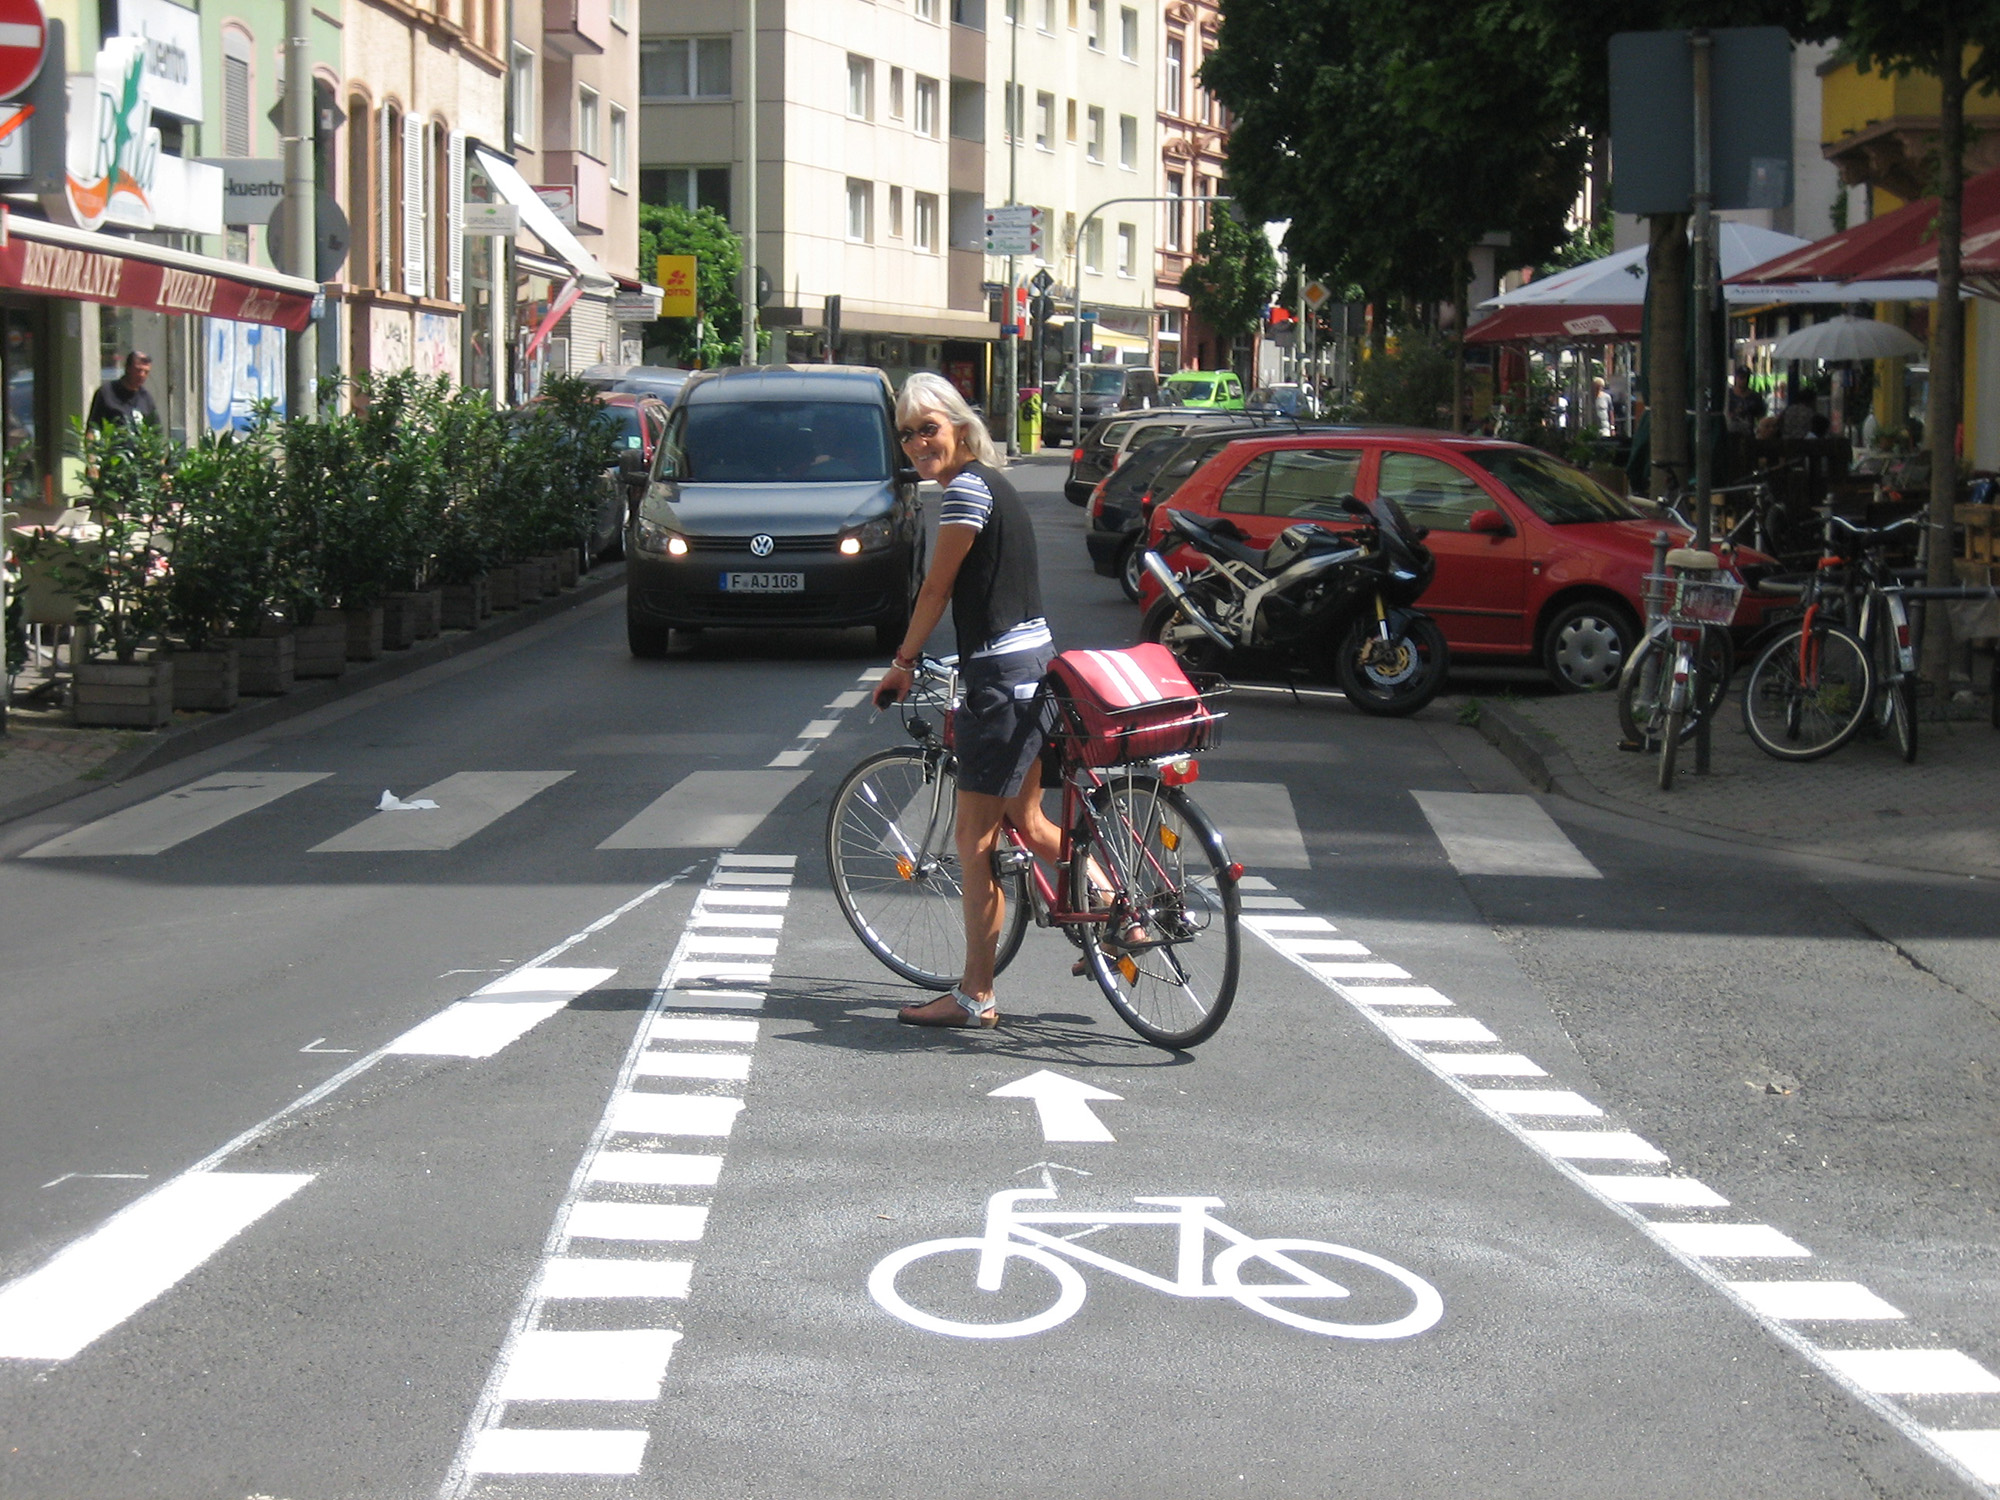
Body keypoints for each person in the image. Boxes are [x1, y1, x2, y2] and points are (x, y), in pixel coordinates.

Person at [872, 373, 1060, 1028]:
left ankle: (975, 993)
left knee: (974, 842)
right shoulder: (995, 486)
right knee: (1030, 826)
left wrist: (902, 664)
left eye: (929, 427)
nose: (919, 441)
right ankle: (1122, 904)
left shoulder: (965, 494)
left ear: (957, 424)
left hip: (1003, 686)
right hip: (1036, 670)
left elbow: (936, 590)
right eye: (907, 433)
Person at [88, 351, 158, 429]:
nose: (142, 375)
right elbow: (92, 427)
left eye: (146, 372)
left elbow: (156, 431)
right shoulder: (106, 393)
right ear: (127, 368)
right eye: (138, 370)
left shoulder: (146, 399)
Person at [1725, 368, 1766, 436]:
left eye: (1746, 378)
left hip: (1748, 433)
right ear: (1736, 378)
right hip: (1730, 432)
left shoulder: (1755, 396)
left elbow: (1760, 416)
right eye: (1741, 378)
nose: (1744, 381)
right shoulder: (1728, 395)